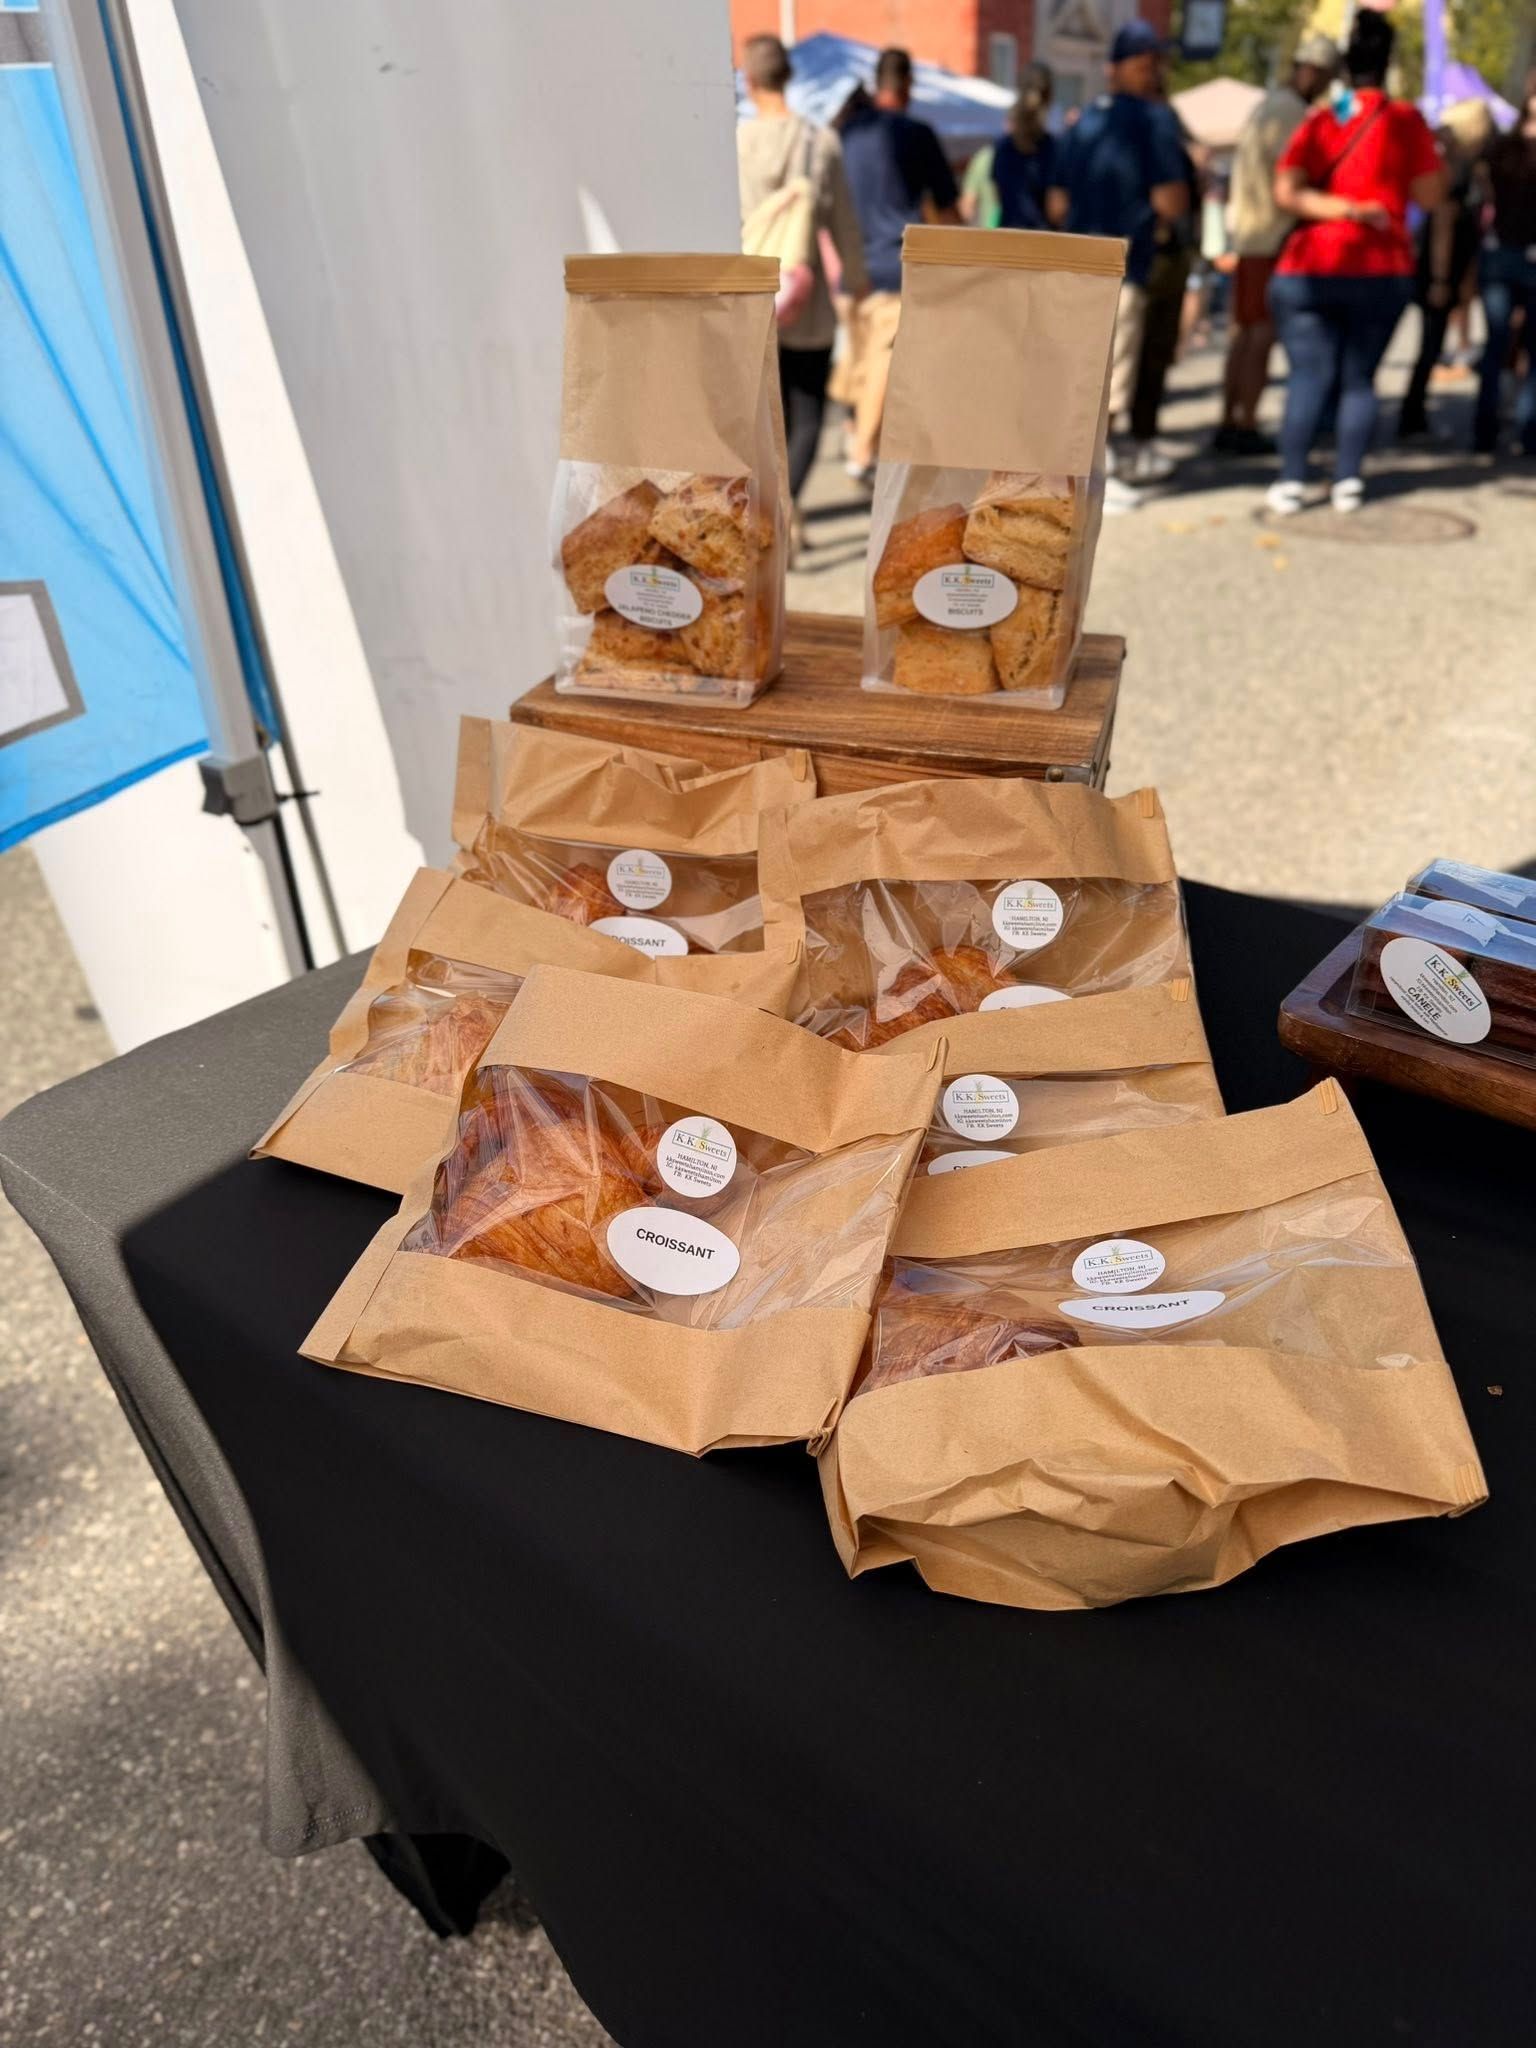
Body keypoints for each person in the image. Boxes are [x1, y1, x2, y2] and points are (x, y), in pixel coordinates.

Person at [1266, 10, 1444, 515]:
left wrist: (1338, 207)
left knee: (1307, 376)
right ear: (1388, 64)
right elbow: (1430, 196)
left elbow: (1286, 191)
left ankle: (1293, 480)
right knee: (1360, 379)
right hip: (1381, 268)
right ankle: (1347, 480)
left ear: (1345, 65)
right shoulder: (1406, 120)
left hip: (1308, 266)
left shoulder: (1324, 116)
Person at [1047, 22, 1189, 507]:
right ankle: (1090, 484)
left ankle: (1076, 476)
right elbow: (1171, 200)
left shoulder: (1082, 120)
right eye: (1146, 63)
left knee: (1082, 374)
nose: (1154, 72)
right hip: (1123, 262)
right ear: (1122, 67)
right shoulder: (1154, 120)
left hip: (1076, 261)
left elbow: (1057, 204)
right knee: (1109, 379)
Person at [737, 34, 870, 528]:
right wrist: (856, 282)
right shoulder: (821, 141)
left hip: (750, 299)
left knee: (764, 417)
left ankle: (768, 513)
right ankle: (782, 509)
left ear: (749, 81)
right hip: (806, 300)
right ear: (788, 78)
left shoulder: (734, 142)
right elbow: (844, 224)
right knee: (808, 409)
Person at [838, 47, 960, 479]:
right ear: (908, 85)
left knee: (857, 361)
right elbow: (946, 208)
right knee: (883, 367)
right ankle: (863, 456)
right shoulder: (916, 134)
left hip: (850, 271)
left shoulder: (847, 134)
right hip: (897, 266)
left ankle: (854, 434)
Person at [1215, 35, 1338, 455]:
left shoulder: (1269, 106)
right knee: (1259, 334)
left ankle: (1231, 418)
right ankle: (1244, 421)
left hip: (1251, 235)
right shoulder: (1290, 112)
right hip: (1270, 238)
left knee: (1244, 332)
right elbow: (1293, 182)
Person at [1397, 101, 1493, 442]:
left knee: (1431, 345)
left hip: (1447, 270)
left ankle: (1413, 412)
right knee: (1429, 346)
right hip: (1438, 272)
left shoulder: (1461, 162)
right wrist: (1439, 279)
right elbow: (1443, 225)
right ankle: (1411, 415)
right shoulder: (1455, 166)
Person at [1474, 70, 1536, 456]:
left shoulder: (1502, 145)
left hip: (1510, 254)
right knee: (1498, 345)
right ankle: (1489, 431)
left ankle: (1524, 432)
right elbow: (1481, 181)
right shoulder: (1503, 145)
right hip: (1505, 255)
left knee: (1521, 348)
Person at [961, 65, 1058, 231]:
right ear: (1049, 97)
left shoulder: (1000, 148)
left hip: (1005, 240)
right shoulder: (1053, 149)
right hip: (1042, 245)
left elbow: (994, 198)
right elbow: (1056, 209)